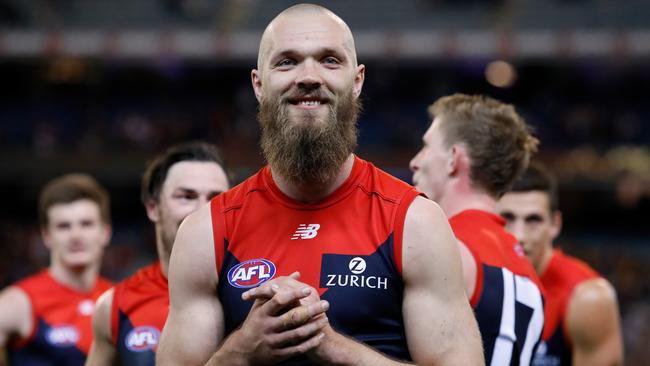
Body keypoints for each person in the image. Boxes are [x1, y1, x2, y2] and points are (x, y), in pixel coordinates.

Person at [157, 4, 483, 366]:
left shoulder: (414, 222)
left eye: (329, 60)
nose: (309, 76)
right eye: (287, 62)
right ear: (259, 84)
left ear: (357, 81)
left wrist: (333, 347)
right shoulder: (206, 231)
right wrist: (242, 350)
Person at [409, 93, 545, 365]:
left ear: (453, 159)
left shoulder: (446, 248)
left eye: (425, 147)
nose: (415, 161)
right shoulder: (531, 273)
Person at [85, 141, 230, 366]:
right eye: (186, 196)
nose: (203, 210)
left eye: (216, 198)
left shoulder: (253, 292)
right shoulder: (115, 306)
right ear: (153, 207)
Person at [497, 162, 624, 366]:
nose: (518, 235)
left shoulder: (587, 298)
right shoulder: (473, 279)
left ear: (555, 224)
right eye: (507, 218)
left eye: (533, 220)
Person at [0, 174, 113, 366]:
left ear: (105, 232)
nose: (76, 235)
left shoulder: (117, 300)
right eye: (63, 226)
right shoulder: (19, 302)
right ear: (46, 236)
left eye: (86, 224)